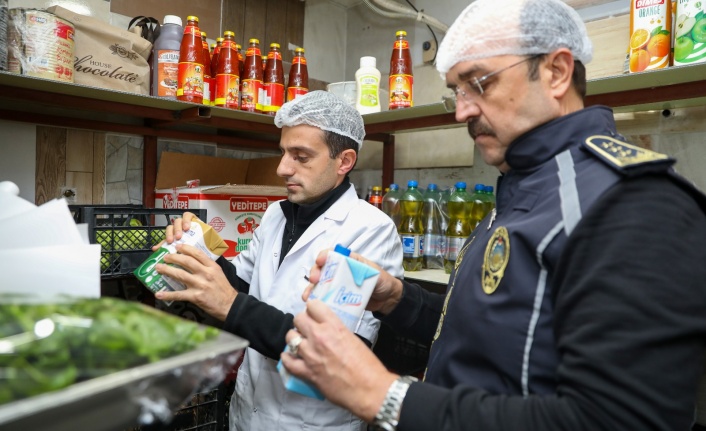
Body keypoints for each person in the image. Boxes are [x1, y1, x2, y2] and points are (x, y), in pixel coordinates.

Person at [279, 0, 706, 429]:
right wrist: (394, 298)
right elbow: (493, 336)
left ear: (556, 72)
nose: (462, 110)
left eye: (478, 83)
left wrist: (380, 394)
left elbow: (620, 420)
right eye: (455, 92)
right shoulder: (524, 186)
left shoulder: (632, 203)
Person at [153, 90, 404, 431]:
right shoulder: (277, 214)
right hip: (248, 409)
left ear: (344, 161)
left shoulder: (370, 230)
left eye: (301, 156)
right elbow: (242, 283)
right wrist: (199, 251)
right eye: (284, 152)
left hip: (310, 420)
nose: (282, 168)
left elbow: (335, 352)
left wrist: (231, 306)